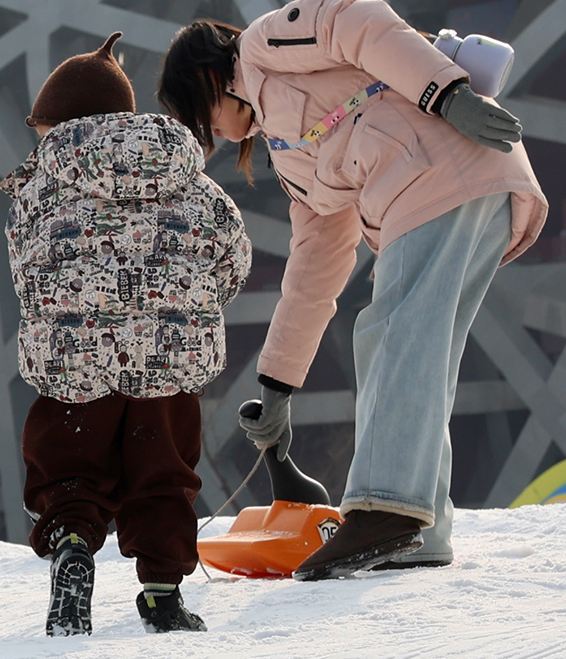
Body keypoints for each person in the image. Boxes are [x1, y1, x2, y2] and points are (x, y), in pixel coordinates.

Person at [157, 4, 548, 579]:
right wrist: (277, 385)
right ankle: (421, 530)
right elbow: (316, 262)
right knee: (424, 355)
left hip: (437, 167)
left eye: (199, 112)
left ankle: (385, 509)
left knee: (392, 335)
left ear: (209, 77)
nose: (209, 131)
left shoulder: (265, 46)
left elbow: (358, 20)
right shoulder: (289, 156)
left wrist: (447, 94)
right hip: (458, 181)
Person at [2, 32, 252, 635]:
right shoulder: (188, 177)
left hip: (74, 361)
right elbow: (232, 255)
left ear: (63, 123)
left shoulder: (38, 190)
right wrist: (189, 308)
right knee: (163, 474)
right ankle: (163, 593)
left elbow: (26, 272)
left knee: (69, 467)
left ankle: (72, 544)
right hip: (168, 361)